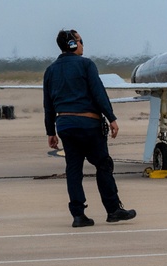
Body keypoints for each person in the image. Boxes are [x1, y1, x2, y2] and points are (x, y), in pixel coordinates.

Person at [43, 29, 136, 228]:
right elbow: (98, 93)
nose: (83, 44)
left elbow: (48, 104)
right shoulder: (86, 65)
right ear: (72, 44)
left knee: (74, 169)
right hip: (88, 125)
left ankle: (78, 215)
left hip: (65, 126)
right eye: (80, 41)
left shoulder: (50, 70)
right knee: (103, 164)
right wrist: (111, 118)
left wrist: (50, 131)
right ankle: (113, 210)